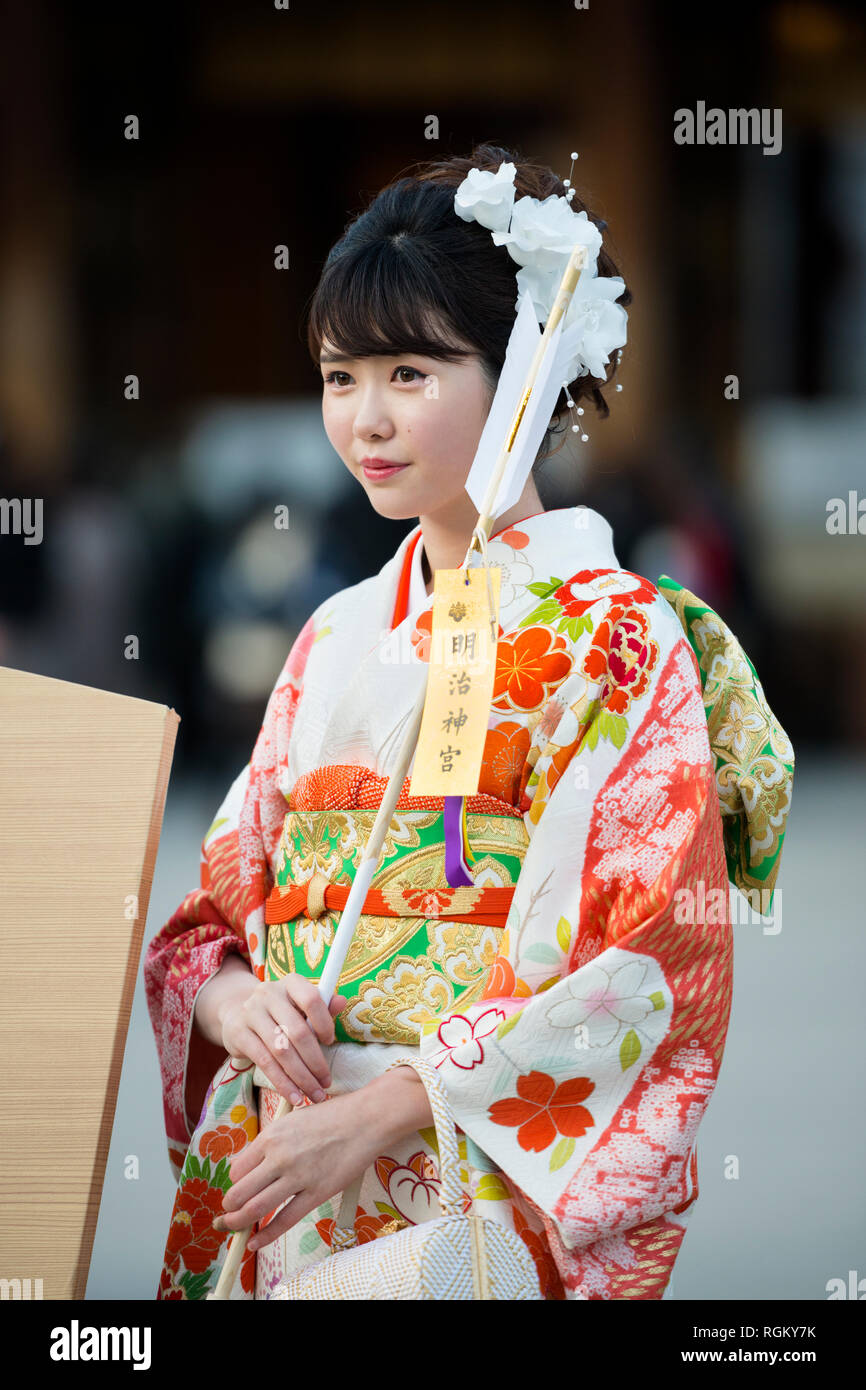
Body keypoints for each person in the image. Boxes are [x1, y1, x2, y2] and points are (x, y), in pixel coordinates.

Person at [144, 142, 794, 1300]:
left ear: (523, 378)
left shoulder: (616, 639)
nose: (364, 420)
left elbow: (643, 956)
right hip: (293, 1164)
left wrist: (391, 1107)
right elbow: (220, 905)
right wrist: (243, 1005)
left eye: (408, 372)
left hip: (464, 1174)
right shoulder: (334, 632)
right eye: (340, 377)